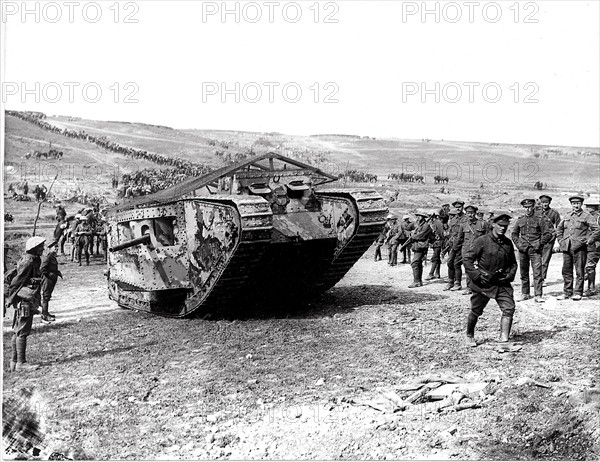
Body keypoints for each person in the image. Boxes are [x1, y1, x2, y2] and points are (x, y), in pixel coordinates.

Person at [463, 213, 518, 350]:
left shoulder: (507, 243)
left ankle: (504, 340)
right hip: (484, 282)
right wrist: (476, 275)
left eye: (505, 226)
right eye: (500, 226)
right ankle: (469, 335)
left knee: (509, 308)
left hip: (501, 282)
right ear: (493, 224)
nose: (503, 229)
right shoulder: (482, 241)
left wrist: (510, 275)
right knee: (476, 310)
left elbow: (513, 263)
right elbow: (467, 259)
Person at [6, 236, 45, 372]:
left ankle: (14, 362)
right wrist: (10, 299)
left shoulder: (33, 259)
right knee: (22, 331)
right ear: (34, 248)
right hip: (24, 300)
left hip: (25, 299)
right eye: (40, 246)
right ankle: (21, 363)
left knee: (18, 330)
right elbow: (17, 281)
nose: (43, 248)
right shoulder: (29, 261)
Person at [556, 195, 600, 300]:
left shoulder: (586, 216)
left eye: (578, 203)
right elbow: (559, 229)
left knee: (579, 271)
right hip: (567, 247)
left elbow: (597, 229)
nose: (576, 205)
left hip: (580, 247)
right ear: (571, 204)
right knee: (566, 270)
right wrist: (561, 241)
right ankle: (567, 292)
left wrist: (589, 240)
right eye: (574, 203)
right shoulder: (567, 215)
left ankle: (578, 292)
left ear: (581, 204)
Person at [511, 198, 552, 302]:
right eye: (525, 207)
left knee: (537, 272)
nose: (528, 209)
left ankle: (538, 295)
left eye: (529, 207)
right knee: (523, 272)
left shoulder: (540, 219)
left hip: (535, 250)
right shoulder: (520, 220)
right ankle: (525, 293)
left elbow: (548, 234)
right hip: (523, 249)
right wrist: (518, 244)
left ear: (533, 207)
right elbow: (514, 234)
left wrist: (540, 243)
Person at [457, 205, 490, 295]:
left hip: (480, 250)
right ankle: (469, 287)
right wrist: (456, 249)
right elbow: (459, 239)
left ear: (475, 213)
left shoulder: (483, 224)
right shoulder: (463, 225)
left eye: (471, 213)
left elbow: (488, 237)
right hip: (467, 250)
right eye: (468, 213)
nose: (470, 215)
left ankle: (482, 287)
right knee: (468, 269)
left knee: (482, 268)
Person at [537, 195, 561, 286]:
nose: (544, 204)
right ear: (540, 203)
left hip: (549, 240)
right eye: (543, 202)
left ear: (549, 203)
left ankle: (542, 279)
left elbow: (559, 226)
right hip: (538, 239)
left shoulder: (554, 213)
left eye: (546, 202)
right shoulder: (536, 212)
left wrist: (555, 235)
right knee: (536, 259)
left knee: (545, 260)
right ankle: (537, 278)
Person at [407, 211, 434, 288]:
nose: (418, 217)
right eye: (417, 216)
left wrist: (412, 237)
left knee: (414, 263)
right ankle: (419, 281)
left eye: (420, 216)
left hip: (421, 246)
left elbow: (420, 236)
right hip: (417, 246)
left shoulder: (426, 226)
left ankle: (416, 281)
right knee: (418, 263)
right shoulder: (419, 225)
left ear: (423, 217)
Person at [444, 200, 466, 291]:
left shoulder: (466, 219)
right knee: (450, 262)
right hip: (453, 244)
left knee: (457, 263)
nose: (458, 209)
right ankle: (450, 282)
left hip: (462, 244)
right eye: (456, 207)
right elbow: (451, 232)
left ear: (462, 207)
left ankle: (457, 283)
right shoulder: (453, 219)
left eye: (459, 207)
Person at [40, 241, 63, 322]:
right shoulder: (47, 257)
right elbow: (42, 269)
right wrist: (49, 274)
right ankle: (44, 315)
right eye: (55, 247)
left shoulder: (52, 256)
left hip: (51, 279)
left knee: (48, 296)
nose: (57, 249)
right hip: (47, 279)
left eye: (57, 247)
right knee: (46, 297)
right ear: (50, 248)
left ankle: (46, 312)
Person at [583, 199, 600, 296]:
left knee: (590, 266)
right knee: (588, 266)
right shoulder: (588, 217)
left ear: (593, 207)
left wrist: (592, 240)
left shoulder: (597, 218)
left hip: (595, 245)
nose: (586, 208)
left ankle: (591, 288)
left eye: (588, 206)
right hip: (588, 245)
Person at [425, 211, 445, 280]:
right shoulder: (432, 222)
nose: (429, 217)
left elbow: (441, 233)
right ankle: (437, 273)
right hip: (434, 243)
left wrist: (439, 240)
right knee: (437, 258)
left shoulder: (438, 222)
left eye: (429, 216)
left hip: (438, 242)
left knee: (434, 258)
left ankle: (431, 274)